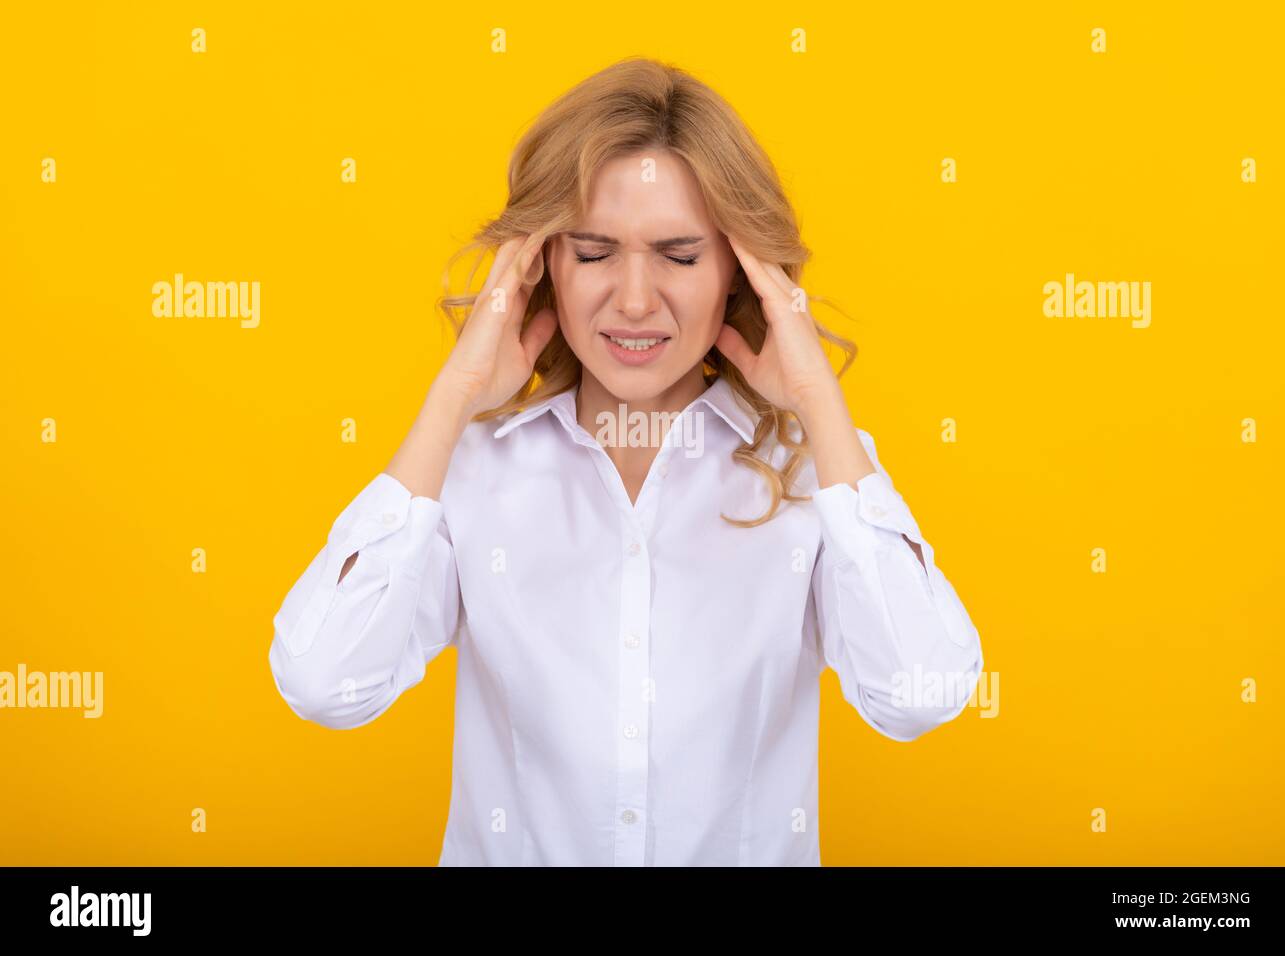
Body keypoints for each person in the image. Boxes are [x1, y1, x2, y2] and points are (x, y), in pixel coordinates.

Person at [269, 57, 983, 866]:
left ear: (737, 272)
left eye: (679, 255)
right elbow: (325, 683)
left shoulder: (815, 472)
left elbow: (921, 694)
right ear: (542, 265)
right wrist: (454, 396)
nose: (635, 299)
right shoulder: (470, 472)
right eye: (594, 251)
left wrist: (819, 402)